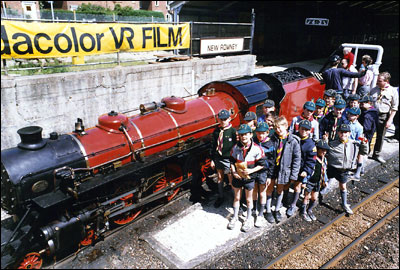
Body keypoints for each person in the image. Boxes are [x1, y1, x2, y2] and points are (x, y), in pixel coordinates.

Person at [228, 124, 266, 232]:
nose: (243, 137)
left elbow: (262, 164)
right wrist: (234, 171)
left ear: (250, 134)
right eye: (241, 135)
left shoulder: (257, 149)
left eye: (245, 134)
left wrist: (251, 170)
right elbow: (232, 161)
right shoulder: (235, 148)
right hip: (237, 178)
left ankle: (248, 219)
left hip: (249, 178)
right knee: (237, 197)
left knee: (249, 199)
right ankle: (235, 217)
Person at [265, 116, 301, 224]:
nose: (278, 130)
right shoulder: (273, 138)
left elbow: (297, 159)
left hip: (284, 170)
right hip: (273, 168)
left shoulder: (293, 141)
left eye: (280, 128)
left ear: (286, 126)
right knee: (270, 189)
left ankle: (277, 210)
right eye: (275, 128)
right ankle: (268, 211)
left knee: (280, 189)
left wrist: (294, 175)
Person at [326, 124, 368, 214]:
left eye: (346, 132)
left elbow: (364, 152)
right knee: (325, 181)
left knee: (343, 186)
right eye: (341, 132)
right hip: (332, 168)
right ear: (338, 133)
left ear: (349, 133)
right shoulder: (332, 144)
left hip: (344, 170)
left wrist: (364, 144)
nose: (343, 134)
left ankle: (344, 203)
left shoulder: (354, 144)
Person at [286, 119, 317, 217]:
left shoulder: (310, 144)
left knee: (297, 186)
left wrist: (306, 171)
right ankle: (284, 199)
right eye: (302, 129)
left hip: (301, 168)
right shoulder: (292, 138)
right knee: (286, 183)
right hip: (290, 166)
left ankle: (293, 204)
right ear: (298, 128)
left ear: (310, 131)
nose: (304, 131)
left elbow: (311, 160)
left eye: (306, 130)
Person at [369, 72, 399, 163]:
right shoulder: (374, 89)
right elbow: (369, 101)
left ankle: (376, 154)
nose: (377, 82)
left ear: (386, 81)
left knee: (380, 136)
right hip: (372, 115)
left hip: (383, 116)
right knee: (368, 134)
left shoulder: (392, 91)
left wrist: (390, 120)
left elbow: (394, 107)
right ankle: (365, 152)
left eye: (379, 81)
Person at [210, 109, 237, 208]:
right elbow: (213, 146)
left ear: (229, 119)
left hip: (228, 159)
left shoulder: (233, 131)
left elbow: (235, 146)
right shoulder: (217, 131)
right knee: (220, 177)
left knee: (230, 178)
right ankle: (221, 196)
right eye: (221, 119)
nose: (223, 121)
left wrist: (233, 161)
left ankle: (235, 198)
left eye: (225, 119)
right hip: (218, 158)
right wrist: (212, 159)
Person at [301, 140, 330, 222]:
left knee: (314, 198)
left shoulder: (324, 160)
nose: (324, 152)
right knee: (306, 197)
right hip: (310, 181)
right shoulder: (313, 159)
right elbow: (307, 171)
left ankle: (309, 210)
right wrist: (304, 182)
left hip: (318, 182)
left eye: (325, 151)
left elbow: (324, 171)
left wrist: (325, 180)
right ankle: (303, 212)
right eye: (322, 150)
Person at [253, 122, 274, 227]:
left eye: (263, 133)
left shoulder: (270, 145)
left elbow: (272, 162)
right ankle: (253, 209)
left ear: (267, 133)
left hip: (264, 172)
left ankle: (261, 214)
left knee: (262, 192)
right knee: (254, 190)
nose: (260, 136)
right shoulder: (254, 141)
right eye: (258, 133)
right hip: (254, 170)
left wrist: (270, 176)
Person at [346, 107, 366, 180]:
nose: (349, 115)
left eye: (352, 114)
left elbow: (359, 139)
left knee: (352, 159)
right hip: (346, 144)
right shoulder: (347, 122)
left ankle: (357, 173)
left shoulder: (359, 127)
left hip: (353, 145)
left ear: (357, 116)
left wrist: (352, 141)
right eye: (349, 113)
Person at [359, 95, 379, 159]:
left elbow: (366, 127)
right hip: (371, 133)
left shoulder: (367, 115)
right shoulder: (374, 111)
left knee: (364, 149)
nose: (361, 104)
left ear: (369, 103)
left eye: (363, 103)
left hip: (366, 135)